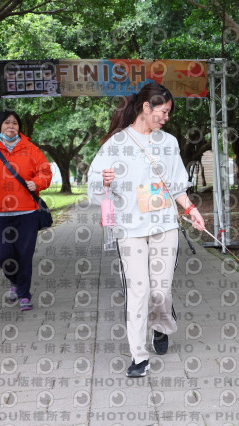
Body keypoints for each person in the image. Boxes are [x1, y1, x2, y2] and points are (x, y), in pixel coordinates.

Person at [88, 83, 205, 378]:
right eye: (163, 111)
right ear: (146, 107)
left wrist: (191, 210)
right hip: (129, 227)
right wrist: (105, 181)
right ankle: (139, 356)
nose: (166, 117)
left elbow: (176, 185)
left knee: (160, 291)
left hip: (164, 224)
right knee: (138, 290)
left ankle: (161, 325)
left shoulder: (169, 143)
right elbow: (94, 186)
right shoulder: (116, 143)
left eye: (168, 113)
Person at [0, 110, 52, 311]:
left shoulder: (31, 148)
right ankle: (14, 281)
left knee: (24, 255)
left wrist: (37, 182)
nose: (11, 126)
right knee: (3, 255)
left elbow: (45, 172)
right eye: (7, 123)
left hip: (27, 212)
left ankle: (24, 294)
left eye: (15, 123)